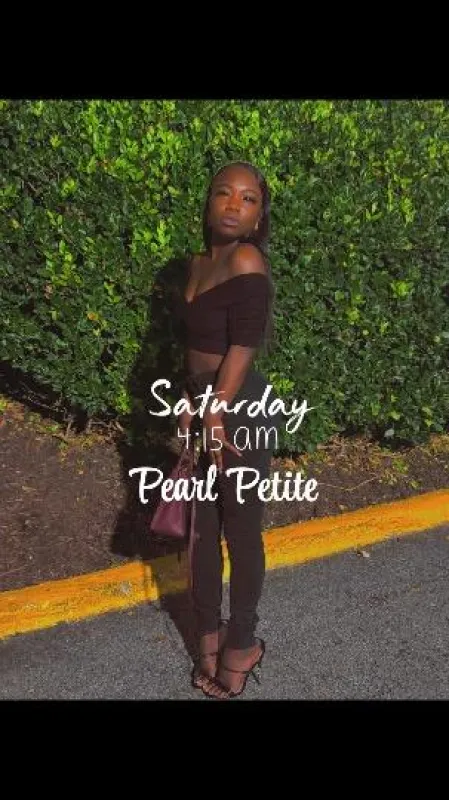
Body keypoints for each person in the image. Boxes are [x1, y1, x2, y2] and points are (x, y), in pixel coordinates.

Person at [174, 161, 282, 699]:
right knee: (200, 531)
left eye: (248, 198)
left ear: (259, 216)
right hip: (203, 405)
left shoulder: (246, 259)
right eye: (224, 193)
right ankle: (208, 636)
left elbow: (244, 344)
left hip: (240, 411)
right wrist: (187, 402)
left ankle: (241, 645)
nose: (234, 205)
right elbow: (193, 348)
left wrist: (215, 412)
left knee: (239, 531)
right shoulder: (196, 264)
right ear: (208, 203)